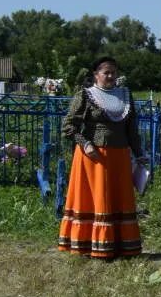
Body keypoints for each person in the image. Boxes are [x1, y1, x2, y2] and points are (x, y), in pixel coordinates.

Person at [59, 56, 144, 260]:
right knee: (99, 198)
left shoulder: (125, 95)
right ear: (96, 75)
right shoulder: (86, 95)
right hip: (94, 157)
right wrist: (85, 143)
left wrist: (139, 153)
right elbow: (68, 126)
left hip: (120, 155)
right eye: (106, 72)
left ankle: (120, 245)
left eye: (114, 72)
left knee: (119, 198)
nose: (111, 76)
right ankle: (93, 245)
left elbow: (131, 128)